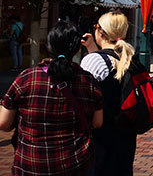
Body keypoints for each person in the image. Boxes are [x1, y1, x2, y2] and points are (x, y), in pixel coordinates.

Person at [0, 21, 103, 175]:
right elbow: (97, 122)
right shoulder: (88, 81)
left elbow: (4, 123)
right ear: (76, 49)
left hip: (32, 164)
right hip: (76, 164)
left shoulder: (27, 78)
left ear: (49, 47)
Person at [80, 12, 138, 175]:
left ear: (101, 32)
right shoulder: (130, 58)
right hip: (126, 133)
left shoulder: (94, 61)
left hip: (101, 135)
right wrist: (92, 48)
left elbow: (85, 91)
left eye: (96, 26)